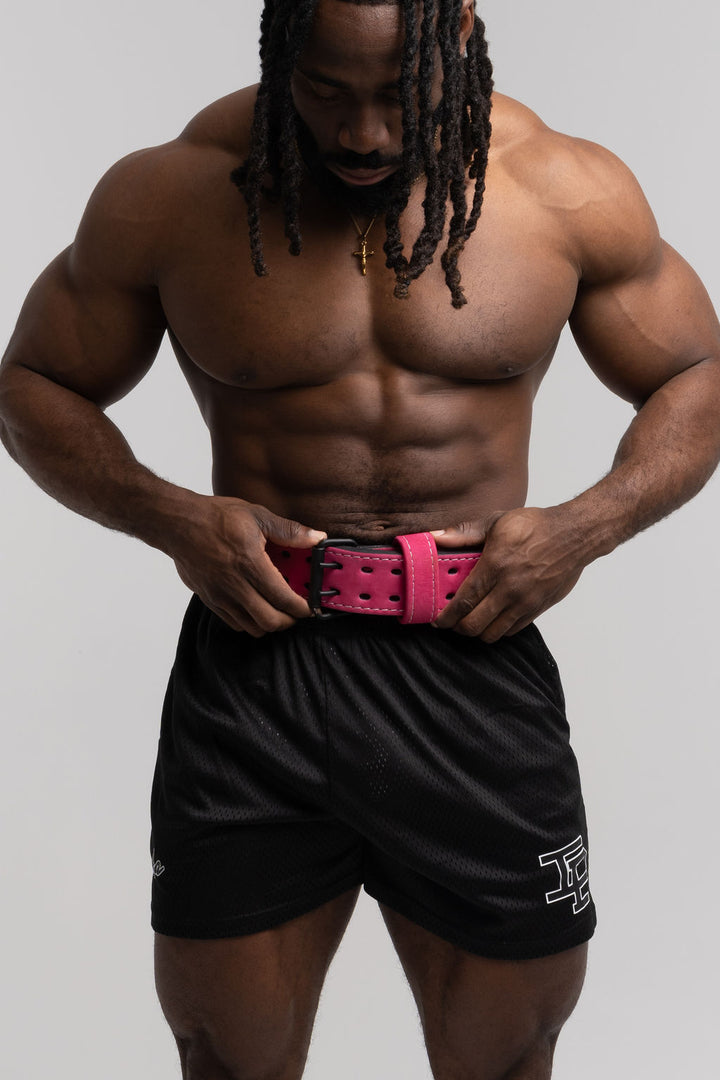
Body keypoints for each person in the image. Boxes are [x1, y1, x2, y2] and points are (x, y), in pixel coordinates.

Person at [1, 0, 719, 1077]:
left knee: (505, 1060)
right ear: (281, 48)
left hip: (472, 662)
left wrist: (584, 528)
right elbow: (34, 384)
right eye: (327, 91)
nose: (365, 134)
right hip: (257, 673)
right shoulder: (173, 193)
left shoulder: (565, 190)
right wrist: (170, 517)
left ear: (460, 33)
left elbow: (697, 373)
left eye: (398, 94)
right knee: (226, 1059)